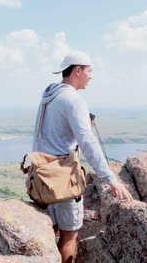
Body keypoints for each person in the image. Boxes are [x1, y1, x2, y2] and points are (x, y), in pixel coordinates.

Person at [32, 51, 133, 263]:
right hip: (63, 178)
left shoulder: (49, 95)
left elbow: (54, 133)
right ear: (77, 70)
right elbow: (88, 142)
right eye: (89, 70)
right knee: (69, 236)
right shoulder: (73, 100)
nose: (91, 76)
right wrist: (110, 179)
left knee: (52, 230)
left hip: (42, 174)